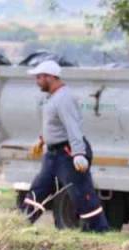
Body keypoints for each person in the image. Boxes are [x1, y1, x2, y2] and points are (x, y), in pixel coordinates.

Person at [23, 60, 108, 232]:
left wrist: (78, 153)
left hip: (68, 153)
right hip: (53, 154)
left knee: (81, 194)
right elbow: (55, 125)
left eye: (39, 77)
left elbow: (72, 126)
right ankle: (21, 222)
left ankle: (99, 230)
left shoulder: (64, 98)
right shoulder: (52, 97)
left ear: (51, 77)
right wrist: (42, 139)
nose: (37, 81)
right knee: (39, 188)